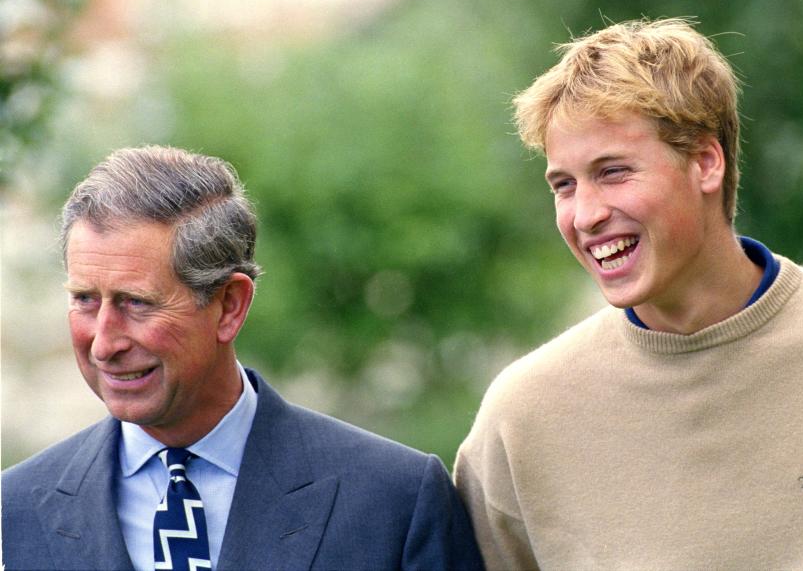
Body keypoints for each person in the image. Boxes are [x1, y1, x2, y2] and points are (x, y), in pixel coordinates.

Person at [454, 18, 803, 569]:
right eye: (564, 185)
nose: (586, 214)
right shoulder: (522, 418)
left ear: (705, 163)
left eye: (614, 171)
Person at [1, 146, 483, 571]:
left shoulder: (392, 502)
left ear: (230, 305)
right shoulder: (14, 512)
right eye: (85, 299)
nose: (104, 343)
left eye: (137, 303)